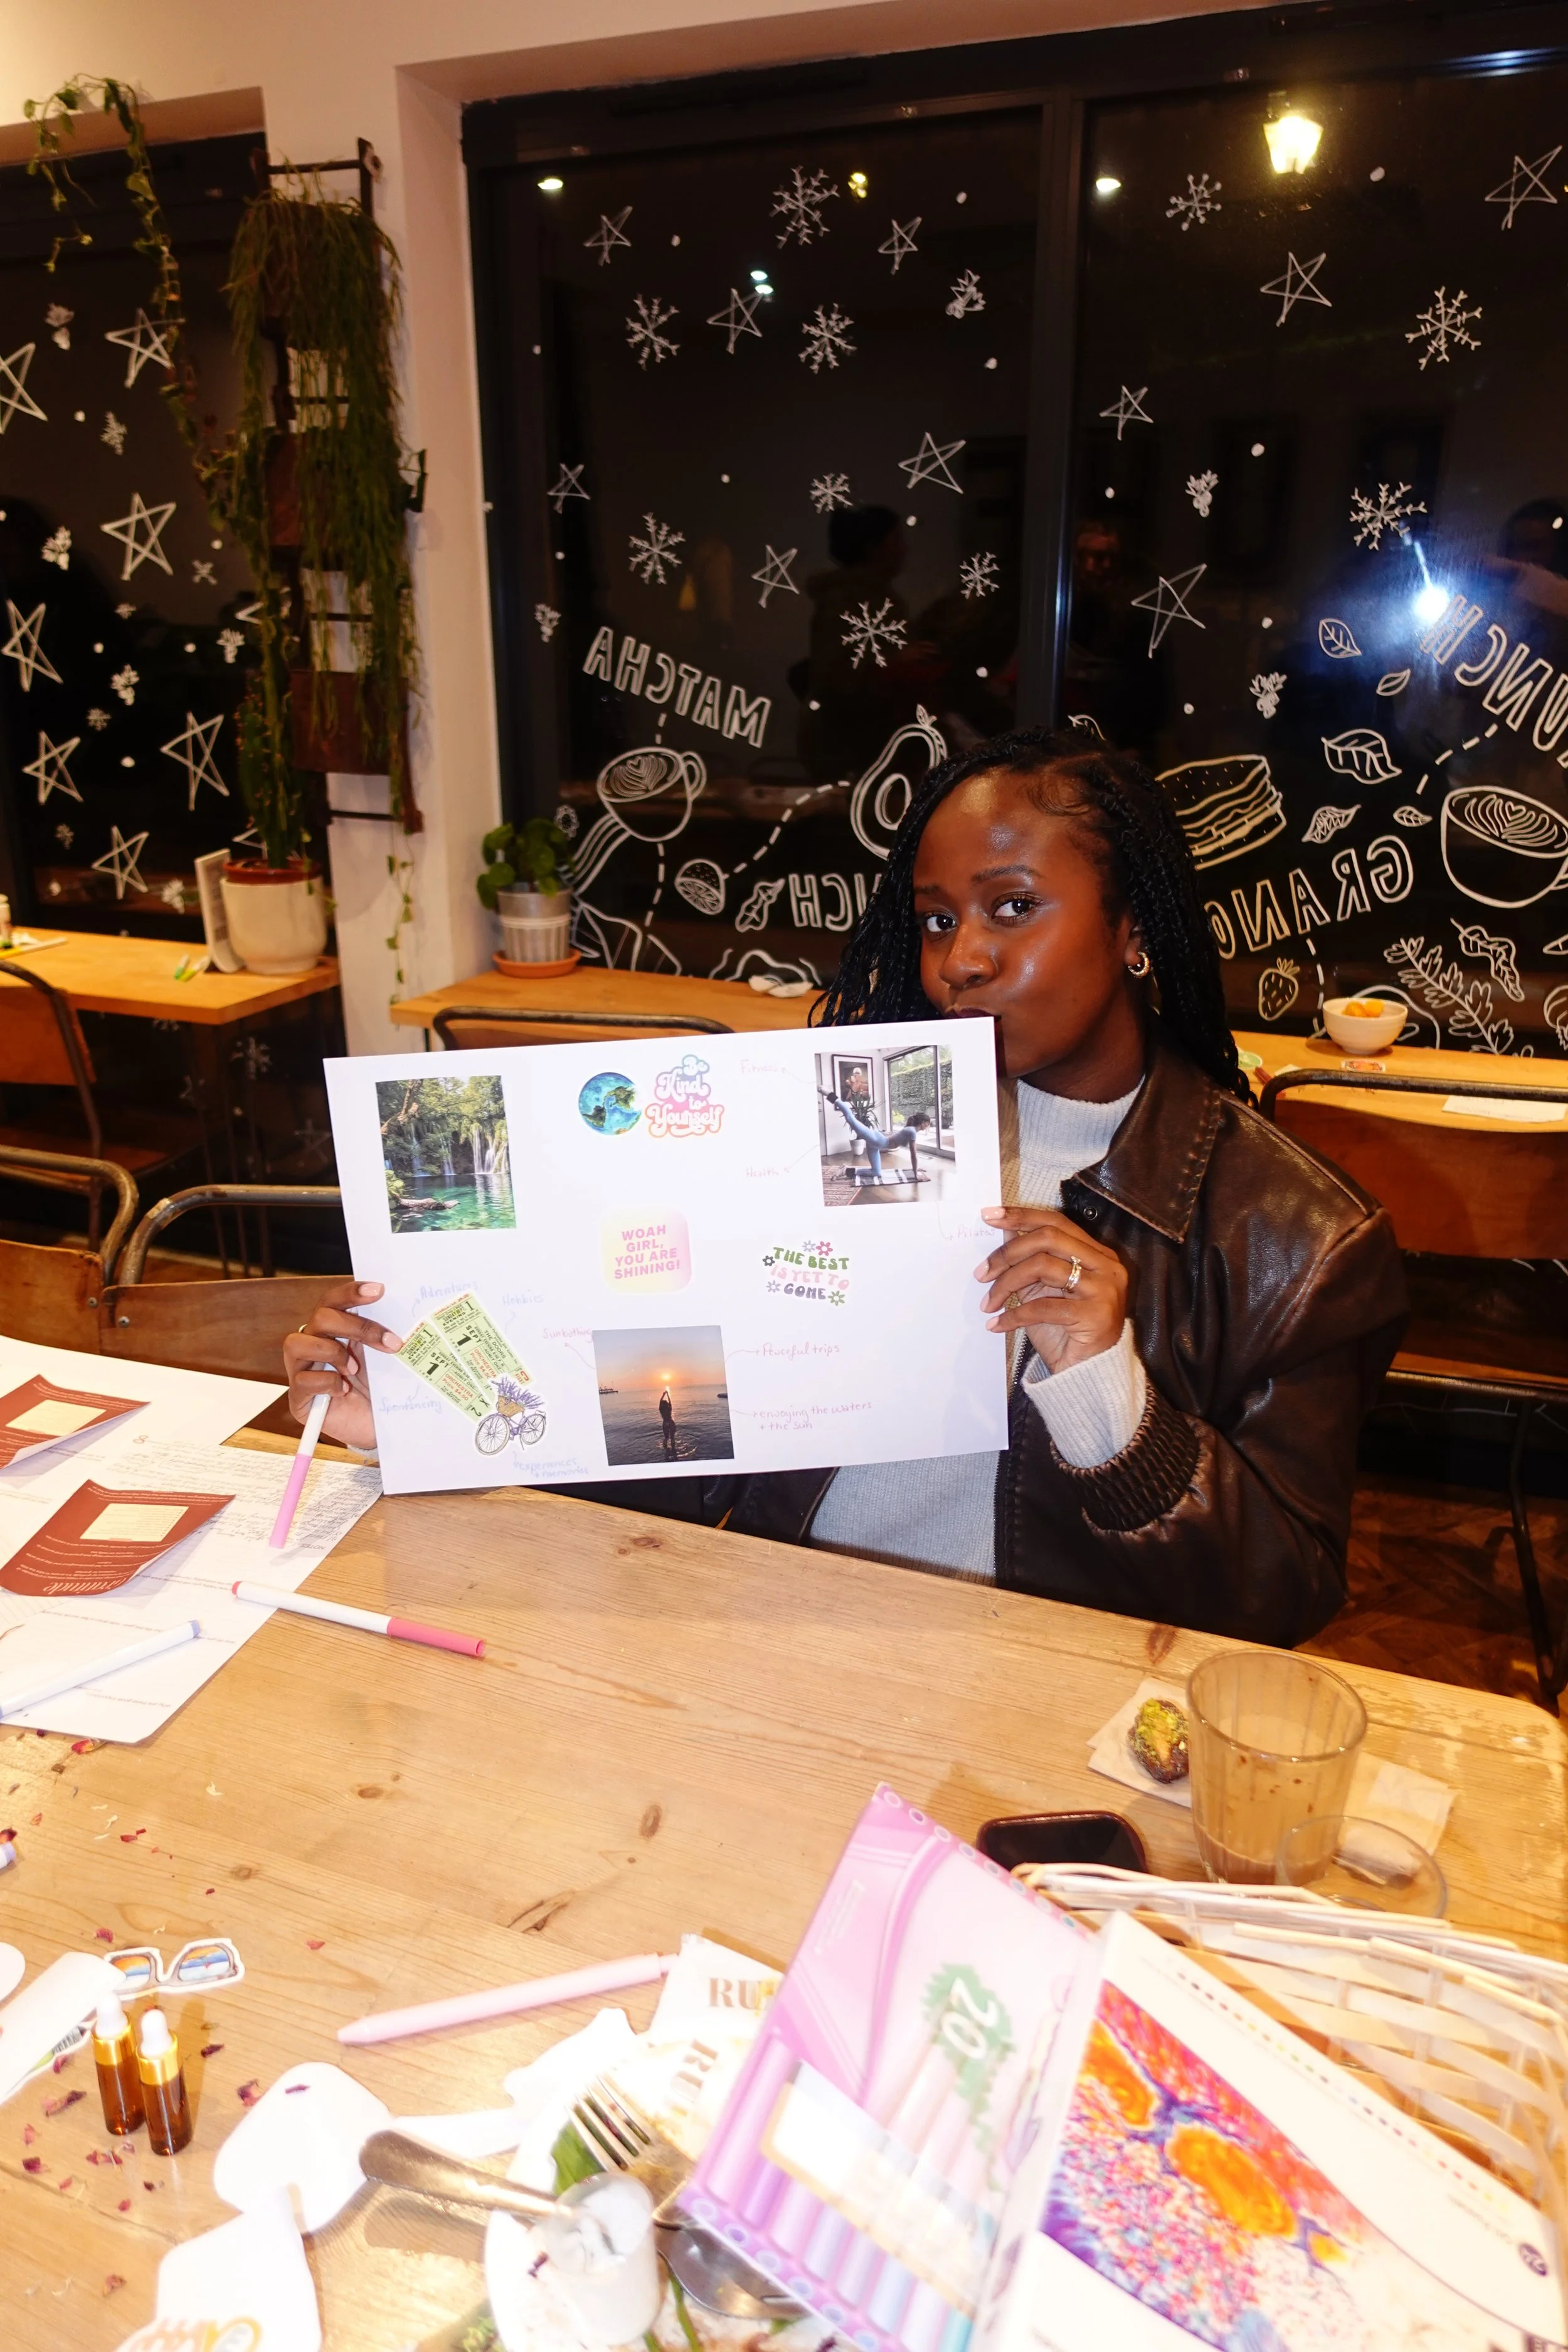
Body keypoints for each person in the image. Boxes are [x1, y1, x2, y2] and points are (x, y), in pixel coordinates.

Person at [283, 727, 1407, 1646]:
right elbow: (685, 1439)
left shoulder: (1295, 1236)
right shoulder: (856, 1118)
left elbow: (1284, 1594)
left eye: (1013, 907)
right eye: (935, 919)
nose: (959, 958)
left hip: (1057, 1686)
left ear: (1132, 931)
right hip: (779, 1628)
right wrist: (432, 1416)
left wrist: (1113, 1398)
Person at [822, 1090, 931, 1184]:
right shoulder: (912, 1132)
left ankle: (846, 1171)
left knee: (876, 1173)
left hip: (876, 1145)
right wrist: (915, 1173)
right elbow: (914, 1156)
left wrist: (916, 1169)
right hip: (877, 1140)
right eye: (928, 1123)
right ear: (923, 1123)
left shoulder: (911, 1131)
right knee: (851, 1120)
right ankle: (830, 1095)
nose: (928, 1126)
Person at [659, 1387, 676, 1458]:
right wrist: (668, 1395)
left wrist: (663, 1395)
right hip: (671, 1423)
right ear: (667, 1405)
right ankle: (674, 1451)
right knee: (672, 1438)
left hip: (665, 1423)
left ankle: (665, 1450)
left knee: (666, 1438)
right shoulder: (670, 1408)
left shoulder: (661, 1410)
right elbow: (670, 1401)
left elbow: (660, 1402)